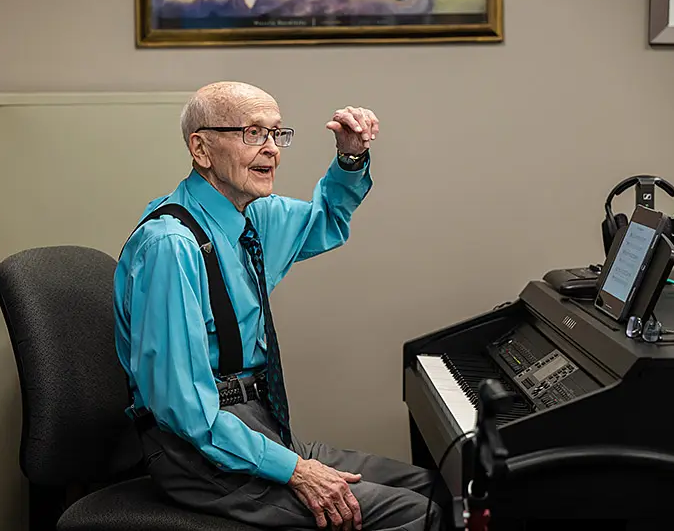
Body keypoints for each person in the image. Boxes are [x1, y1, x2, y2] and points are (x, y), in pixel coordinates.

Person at [113, 81, 444, 531]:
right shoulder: (171, 245)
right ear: (201, 148)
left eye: (276, 134)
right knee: (418, 515)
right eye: (252, 134)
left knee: (436, 486)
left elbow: (324, 220)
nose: (271, 149)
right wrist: (297, 470)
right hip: (196, 450)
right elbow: (183, 407)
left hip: (255, 426)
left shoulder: (253, 215)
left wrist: (349, 158)